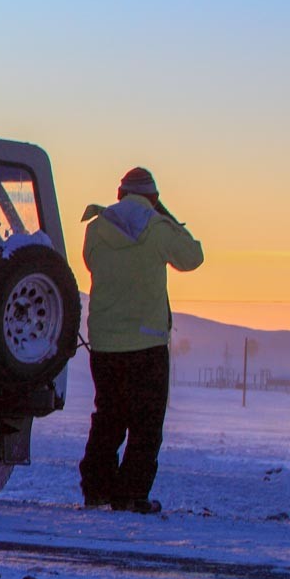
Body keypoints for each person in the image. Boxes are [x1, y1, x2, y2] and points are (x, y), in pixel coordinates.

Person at [78, 166, 203, 514]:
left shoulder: (96, 228)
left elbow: (91, 263)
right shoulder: (158, 228)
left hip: (104, 343)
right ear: (153, 198)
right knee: (146, 425)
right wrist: (168, 219)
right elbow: (193, 257)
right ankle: (131, 494)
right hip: (146, 345)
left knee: (109, 417)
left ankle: (97, 488)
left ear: (119, 195)